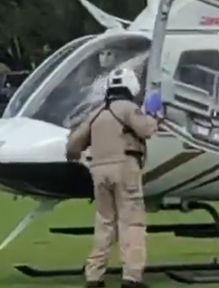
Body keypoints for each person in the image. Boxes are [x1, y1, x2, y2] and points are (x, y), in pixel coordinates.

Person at [66, 66, 161, 288]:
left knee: (105, 223)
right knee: (132, 222)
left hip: (98, 171)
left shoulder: (97, 112)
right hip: (125, 167)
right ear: (131, 87)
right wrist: (155, 115)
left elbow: (72, 147)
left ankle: (94, 275)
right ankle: (132, 276)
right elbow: (146, 129)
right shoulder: (129, 109)